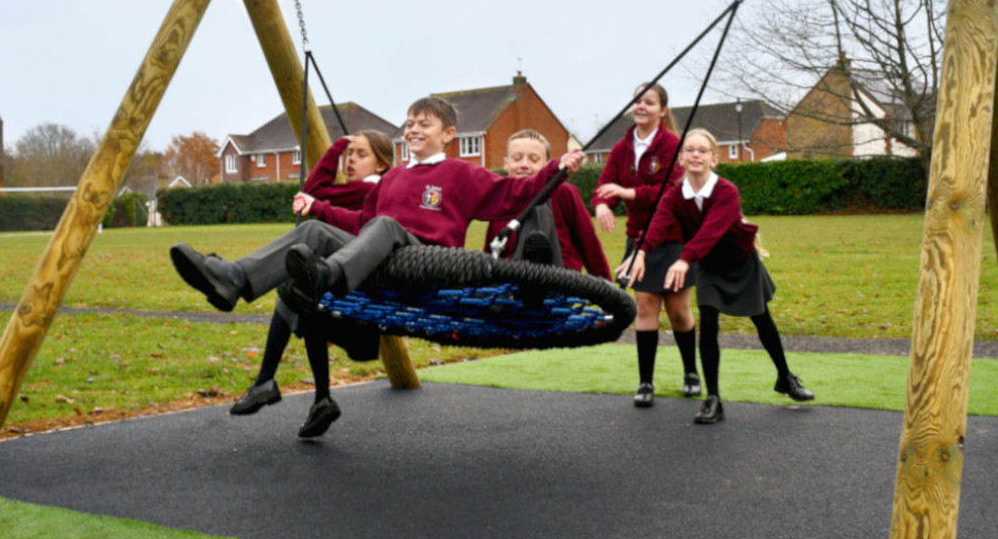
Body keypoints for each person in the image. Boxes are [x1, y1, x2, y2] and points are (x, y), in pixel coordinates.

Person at [169, 96, 585, 438]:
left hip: (428, 267)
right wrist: (320, 208)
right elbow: (363, 228)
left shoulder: (462, 173)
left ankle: (327, 277)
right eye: (409, 123)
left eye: (425, 124)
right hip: (379, 267)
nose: (414, 130)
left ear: (449, 134)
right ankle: (233, 280)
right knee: (314, 231)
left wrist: (558, 168)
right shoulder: (392, 179)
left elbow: (517, 193)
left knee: (386, 226)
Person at [625, 128, 814, 424]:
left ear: (714, 158)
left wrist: (684, 259)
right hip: (708, 265)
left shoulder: (726, 191)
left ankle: (785, 377)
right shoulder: (676, 194)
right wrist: (641, 252)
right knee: (709, 321)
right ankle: (713, 398)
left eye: (702, 150)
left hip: (740, 262)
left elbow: (711, 230)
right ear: (681, 159)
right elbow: (657, 223)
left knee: (762, 318)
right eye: (689, 150)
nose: (695, 154)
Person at [593, 83, 697, 406]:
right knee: (645, 307)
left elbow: (670, 193)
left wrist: (629, 194)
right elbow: (603, 185)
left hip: (673, 238)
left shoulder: (672, 146)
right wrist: (601, 204)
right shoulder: (621, 148)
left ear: (662, 111)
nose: (641, 107)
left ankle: (691, 372)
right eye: (637, 101)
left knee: (679, 312)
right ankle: (646, 382)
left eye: (649, 102)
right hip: (638, 237)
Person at [484, 130, 612, 280]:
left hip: (559, 280)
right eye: (517, 158)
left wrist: (606, 287)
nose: (524, 165)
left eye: (534, 159)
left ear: (546, 165)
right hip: (510, 284)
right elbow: (492, 246)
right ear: (506, 164)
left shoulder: (564, 193)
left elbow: (588, 241)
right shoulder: (501, 198)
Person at [295, 129, 395, 213]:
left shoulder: (367, 189)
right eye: (350, 153)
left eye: (362, 155)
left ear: (381, 165)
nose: (351, 159)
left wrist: (336, 148)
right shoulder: (383, 188)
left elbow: (312, 192)